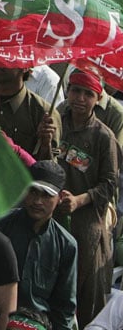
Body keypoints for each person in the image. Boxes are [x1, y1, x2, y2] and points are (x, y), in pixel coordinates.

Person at [55, 69, 119, 325]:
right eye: (75, 90)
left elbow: (110, 184)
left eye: (87, 93)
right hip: (53, 215)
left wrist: (80, 200)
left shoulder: (104, 137)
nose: (80, 98)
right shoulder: (55, 121)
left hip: (87, 224)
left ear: (97, 98)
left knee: (86, 294)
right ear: (67, 91)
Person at [0, 161, 77, 330]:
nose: (38, 201)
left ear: (60, 198)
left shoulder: (67, 245)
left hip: (38, 324)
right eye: (33, 191)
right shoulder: (0, 227)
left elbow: (64, 308)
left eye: (47, 195)